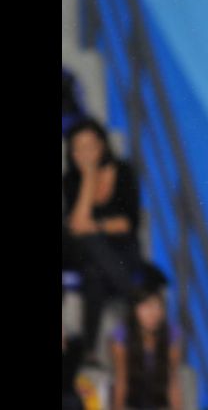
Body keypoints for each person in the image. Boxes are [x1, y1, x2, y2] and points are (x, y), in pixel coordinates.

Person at [62, 118, 143, 359]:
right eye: (78, 148)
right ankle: (135, 298)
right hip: (84, 250)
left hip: (120, 250)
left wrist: (96, 226)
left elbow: (128, 223)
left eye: (90, 145)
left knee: (94, 272)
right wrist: (88, 176)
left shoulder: (124, 171)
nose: (85, 153)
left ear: (102, 145)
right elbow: (76, 225)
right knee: (88, 243)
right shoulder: (71, 180)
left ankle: (88, 351)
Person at [110, 284, 183, 410]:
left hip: (159, 400)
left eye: (158, 307)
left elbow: (172, 382)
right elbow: (121, 379)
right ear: (134, 309)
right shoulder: (122, 336)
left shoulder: (170, 335)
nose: (153, 313)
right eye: (147, 306)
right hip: (132, 400)